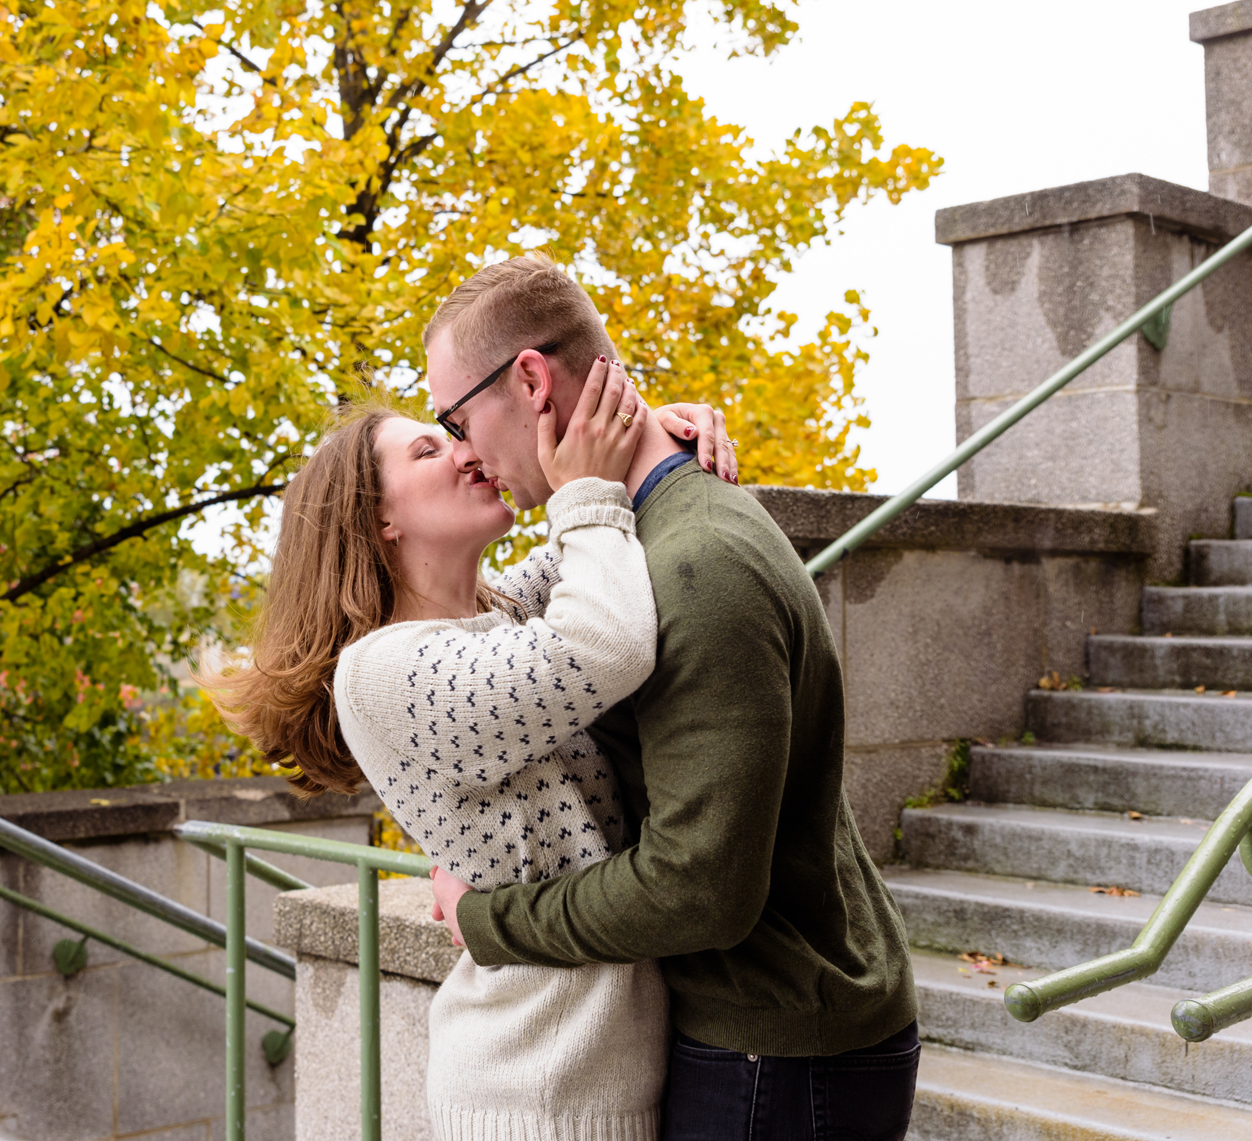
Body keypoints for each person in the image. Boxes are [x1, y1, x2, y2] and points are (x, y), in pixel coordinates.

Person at [422, 254, 920, 1141]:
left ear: (531, 380)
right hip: (772, 1037)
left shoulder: (694, 561)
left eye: (456, 418)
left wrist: (486, 918)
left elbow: (701, 890)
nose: (465, 452)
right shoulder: (643, 535)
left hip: (778, 1052)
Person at [213, 354, 734, 1141]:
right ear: (378, 518)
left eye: (456, 432)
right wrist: (598, 485)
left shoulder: (500, 609)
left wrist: (658, 432)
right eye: (428, 448)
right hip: (540, 1094)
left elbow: (604, 528)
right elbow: (603, 642)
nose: (464, 449)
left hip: (590, 1074)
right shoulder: (383, 670)